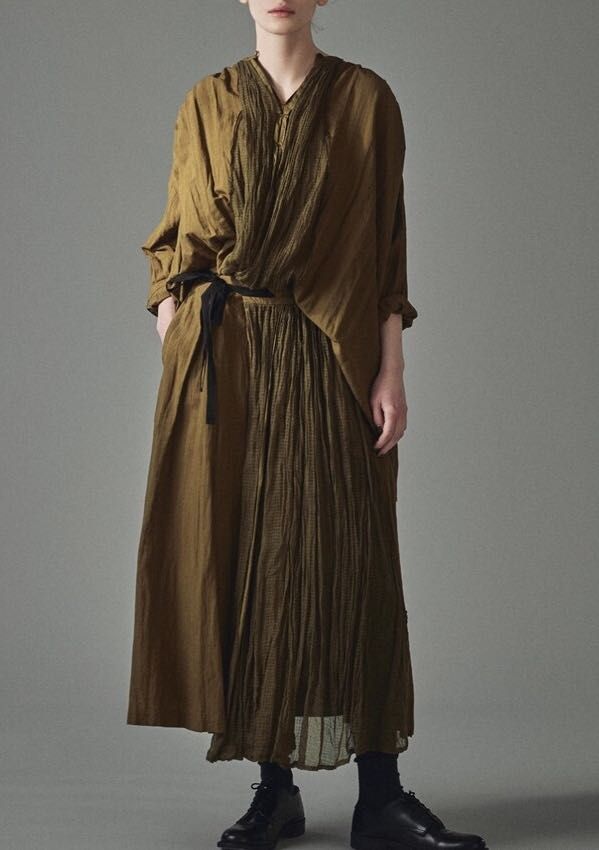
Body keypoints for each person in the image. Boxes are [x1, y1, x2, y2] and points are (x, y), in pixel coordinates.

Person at [126, 2, 488, 849]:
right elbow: (175, 239)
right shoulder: (207, 101)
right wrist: (175, 325)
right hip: (228, 360)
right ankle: (273, 790)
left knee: (351, 561)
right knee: (245, 557)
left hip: (332, 351)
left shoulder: (365, 99)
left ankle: (380, 797)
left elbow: (383, 248)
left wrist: (391, 369)